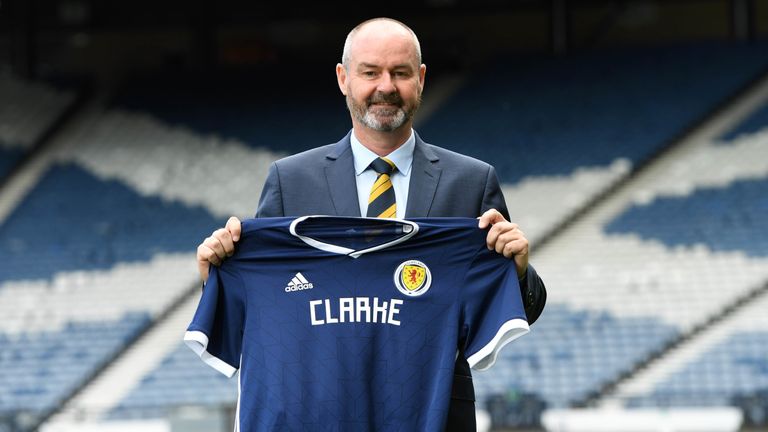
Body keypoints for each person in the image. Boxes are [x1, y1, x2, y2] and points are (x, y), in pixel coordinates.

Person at [196, 17, 546, 432]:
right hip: (322, 410)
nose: (386, 87)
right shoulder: (290, 180)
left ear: (420, 80)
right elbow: (265, 304)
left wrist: (519, 270)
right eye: (370, 72)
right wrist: (215, 276)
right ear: (344, 79)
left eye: (399, 73)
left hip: (433, 414)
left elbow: (513, 308)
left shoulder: (471, 181)